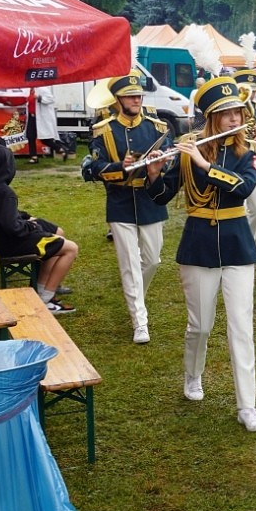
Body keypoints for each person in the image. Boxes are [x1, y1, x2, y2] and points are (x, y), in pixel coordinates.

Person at [155, 76, 256, 433]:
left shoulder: (249, 153)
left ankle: (247, 405)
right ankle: (192, 375)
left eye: (237, 111)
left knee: (241, 328)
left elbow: (243, 189)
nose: (235, 119)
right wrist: (156, 174)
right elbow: (161, 197)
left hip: (237, 245)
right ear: (210, 118)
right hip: (198, 243)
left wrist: (205, 167)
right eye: (226, 113)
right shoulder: (188, 149)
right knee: (201, 325)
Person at [83, 72, 174, 344]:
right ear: (118, 99)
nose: (136, 99)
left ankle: (136, 298)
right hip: (120, 202)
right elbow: (93, 169)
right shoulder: (104, 130)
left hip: (150, 200)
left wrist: (159, 165)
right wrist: (118, 168)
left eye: (138, 95)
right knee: (130, 265)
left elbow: (169, 163)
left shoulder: (157, 128)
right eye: (131, 96)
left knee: (153, 259)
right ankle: (140, 322)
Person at [0, 137, 79, 315]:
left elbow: (2, 219)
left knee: (56, 236)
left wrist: (26, 220)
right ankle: (45, 301)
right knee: (70, 248)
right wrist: (31, 226)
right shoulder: (3, 192)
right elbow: (13, 228)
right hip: (10, 243)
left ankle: (42, 291)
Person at [26, 85, 66, 163]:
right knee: (30, 136)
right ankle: (34, 157)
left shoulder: (42, 89)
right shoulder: (27, 91)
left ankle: (61, 150)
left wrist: (39, 97)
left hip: (41, 118)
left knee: (44, 139)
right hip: (31, 117)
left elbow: (51, 99)